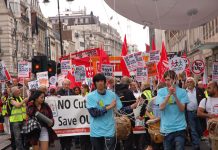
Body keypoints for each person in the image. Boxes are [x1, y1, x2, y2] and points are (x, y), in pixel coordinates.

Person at [87, 73, 139, 150]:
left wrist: (134, 105)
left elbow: (121, 110)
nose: (100, 83)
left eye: (101, 81)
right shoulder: (91, 96)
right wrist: (109, 107)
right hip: (96, 132)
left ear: (105, 82)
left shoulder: (112, 95)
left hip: (109, 131)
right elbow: (94, 113)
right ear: (95, 83)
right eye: (97, 81)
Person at [156, 70, 189, 150]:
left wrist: (175, 95)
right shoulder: (161, 91)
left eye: (169, 79)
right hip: (166, 129)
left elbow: (182, 109)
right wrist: (169, 95)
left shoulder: (183, 92)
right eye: (166, 80)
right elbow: (161, 107)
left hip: (180, 128)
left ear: (175, 79)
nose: (167, 82)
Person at [185, 77, 205, 150]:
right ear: (186, 83)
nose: (189, 83)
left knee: (200, 129)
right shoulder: (184, 92)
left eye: (191, 81)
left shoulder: (199, 90)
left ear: (194, 83)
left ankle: (197, 140)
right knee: (193, 130)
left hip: (198, 112)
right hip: (189, 113)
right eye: (188, 82)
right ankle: (196, 146)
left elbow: (204, 99)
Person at [57, 79, 75, 150]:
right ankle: (63, 146)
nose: (67, 86)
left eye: (68, 84)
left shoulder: (72, 92)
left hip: (71, 116)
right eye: (65, 84)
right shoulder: (59, 92)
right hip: (62, 116)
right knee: (63, 134)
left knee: (69, 133)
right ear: (62, 85)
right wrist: (56, 97)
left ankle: (68, 147)